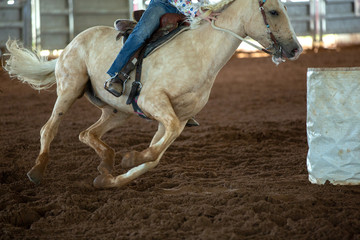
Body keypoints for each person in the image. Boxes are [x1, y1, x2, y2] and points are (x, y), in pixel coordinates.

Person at [106, 0, 215, 126]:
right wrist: (196, 11)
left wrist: (206, 7)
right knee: (141, 34)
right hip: (163, 5)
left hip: (186, 8)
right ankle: (118, 75)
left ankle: (182, 106)